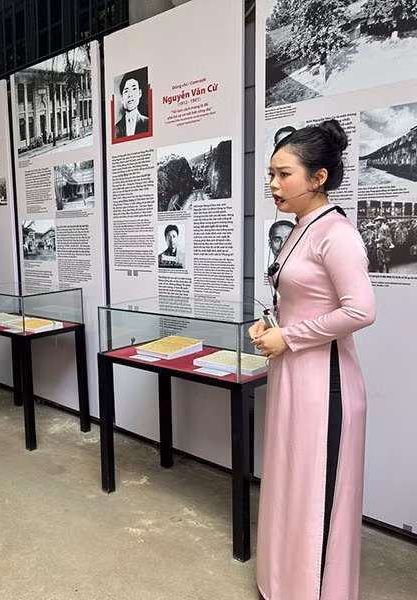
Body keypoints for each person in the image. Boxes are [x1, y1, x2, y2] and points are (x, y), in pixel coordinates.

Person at [251, 120, 375, 600]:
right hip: (293, 378)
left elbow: (361, 310)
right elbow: (303, 298)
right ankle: (281, 584)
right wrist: (271, 324)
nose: (274, 185)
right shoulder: (302, 228)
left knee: (316, 492)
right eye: (271, 174)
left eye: (284, 175)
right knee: (289, 485)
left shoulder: (337, 233)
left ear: (318, 177)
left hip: (327, 387)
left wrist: (292, 337)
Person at [115, 71, 149, 139]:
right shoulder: (115, 128)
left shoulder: (148, 123)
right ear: (122, 98)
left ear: (140, 93)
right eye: (126, 91)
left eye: (134, 89)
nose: (130, 95)